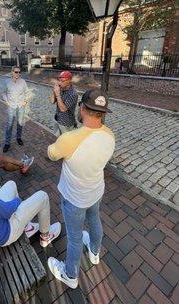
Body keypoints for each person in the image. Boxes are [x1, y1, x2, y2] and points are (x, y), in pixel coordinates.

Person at [47, 89, 115, 289]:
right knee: (94, 219)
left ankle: (70, 275)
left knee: (75, 238)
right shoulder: (109, 135)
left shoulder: (70, 139)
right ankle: (94, 253)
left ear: (83, 108)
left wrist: (59, 142)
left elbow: (51, 154)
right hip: (95, 191)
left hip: (74, 197)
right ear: (102, 112)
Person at [2, 66, 29, 152]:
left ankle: (18, 138)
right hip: (11, 106)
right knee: (9, 125)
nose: (18, 74)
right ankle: (7, 143)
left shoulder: (23, 82)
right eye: (16, 72)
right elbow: (3, 93)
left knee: (20, 123)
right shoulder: (7, 82)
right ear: (12, 72)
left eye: (19, 72)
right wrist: (6, 102)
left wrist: (25, 101)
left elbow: (27, 92)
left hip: (21, 105)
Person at [50, 71, 78, 136]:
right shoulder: (60, 89)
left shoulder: (73, 94)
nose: (60, 83)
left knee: (66, 143)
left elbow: (63, 109)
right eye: (59, 80)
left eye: (62, 81)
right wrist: (54, 92)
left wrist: (58, 95)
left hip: (66, 123)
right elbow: (52, 102)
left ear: (69, 81)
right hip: (57, 119)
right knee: (58, 140)